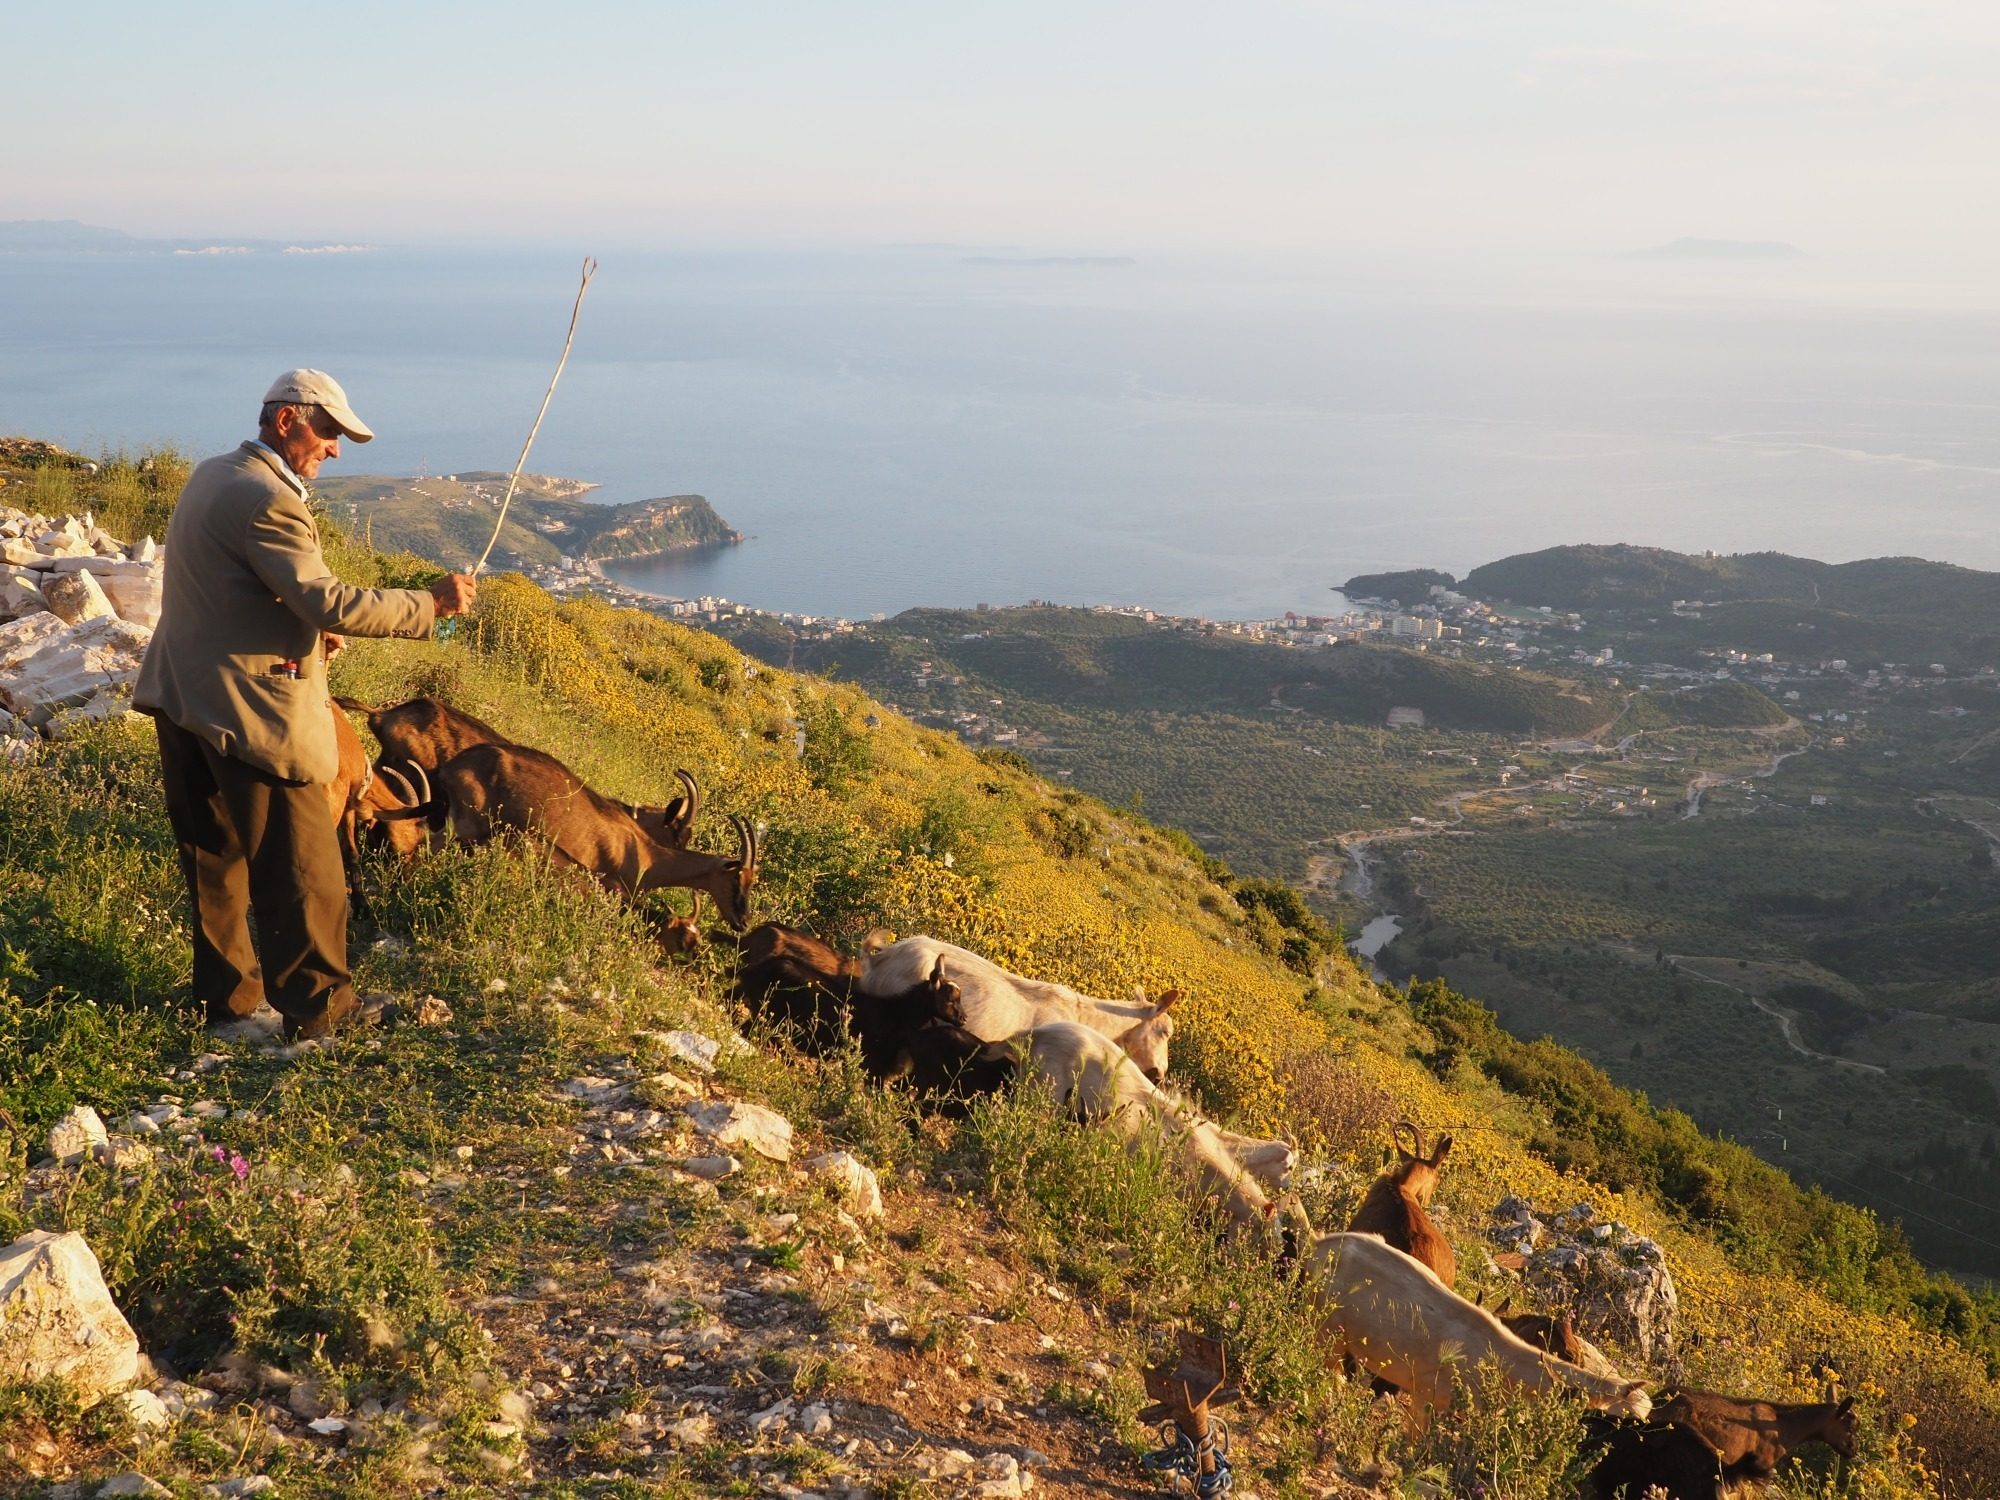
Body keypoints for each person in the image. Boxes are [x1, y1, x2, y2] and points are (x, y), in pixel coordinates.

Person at [134, 370, 478, 1039]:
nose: (336, 449)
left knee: (214, 860)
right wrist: (429, 604)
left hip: (185, 696)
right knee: (308, 871)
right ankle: (319, 1016)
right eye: (329, 431)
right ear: (288, 419)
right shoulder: (270, 500)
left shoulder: (213, 473)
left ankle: (228, 1005)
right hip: (250, 712)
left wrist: (304, 633)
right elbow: (328, 597)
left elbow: (229, 584)